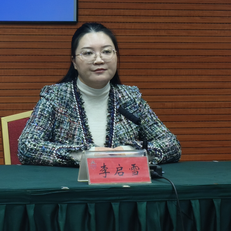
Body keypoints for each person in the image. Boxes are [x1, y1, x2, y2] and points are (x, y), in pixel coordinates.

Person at [18, 22, 181, 167]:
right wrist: (86, 155)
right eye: (88, 53)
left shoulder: (130, 99)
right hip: (70, 187)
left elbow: (171, 144)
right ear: (74, 62)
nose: (98, 60)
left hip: (123, 185)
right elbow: (27, 146)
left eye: (106, 52)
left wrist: (131, 152)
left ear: (116, 56)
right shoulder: (56, 97)